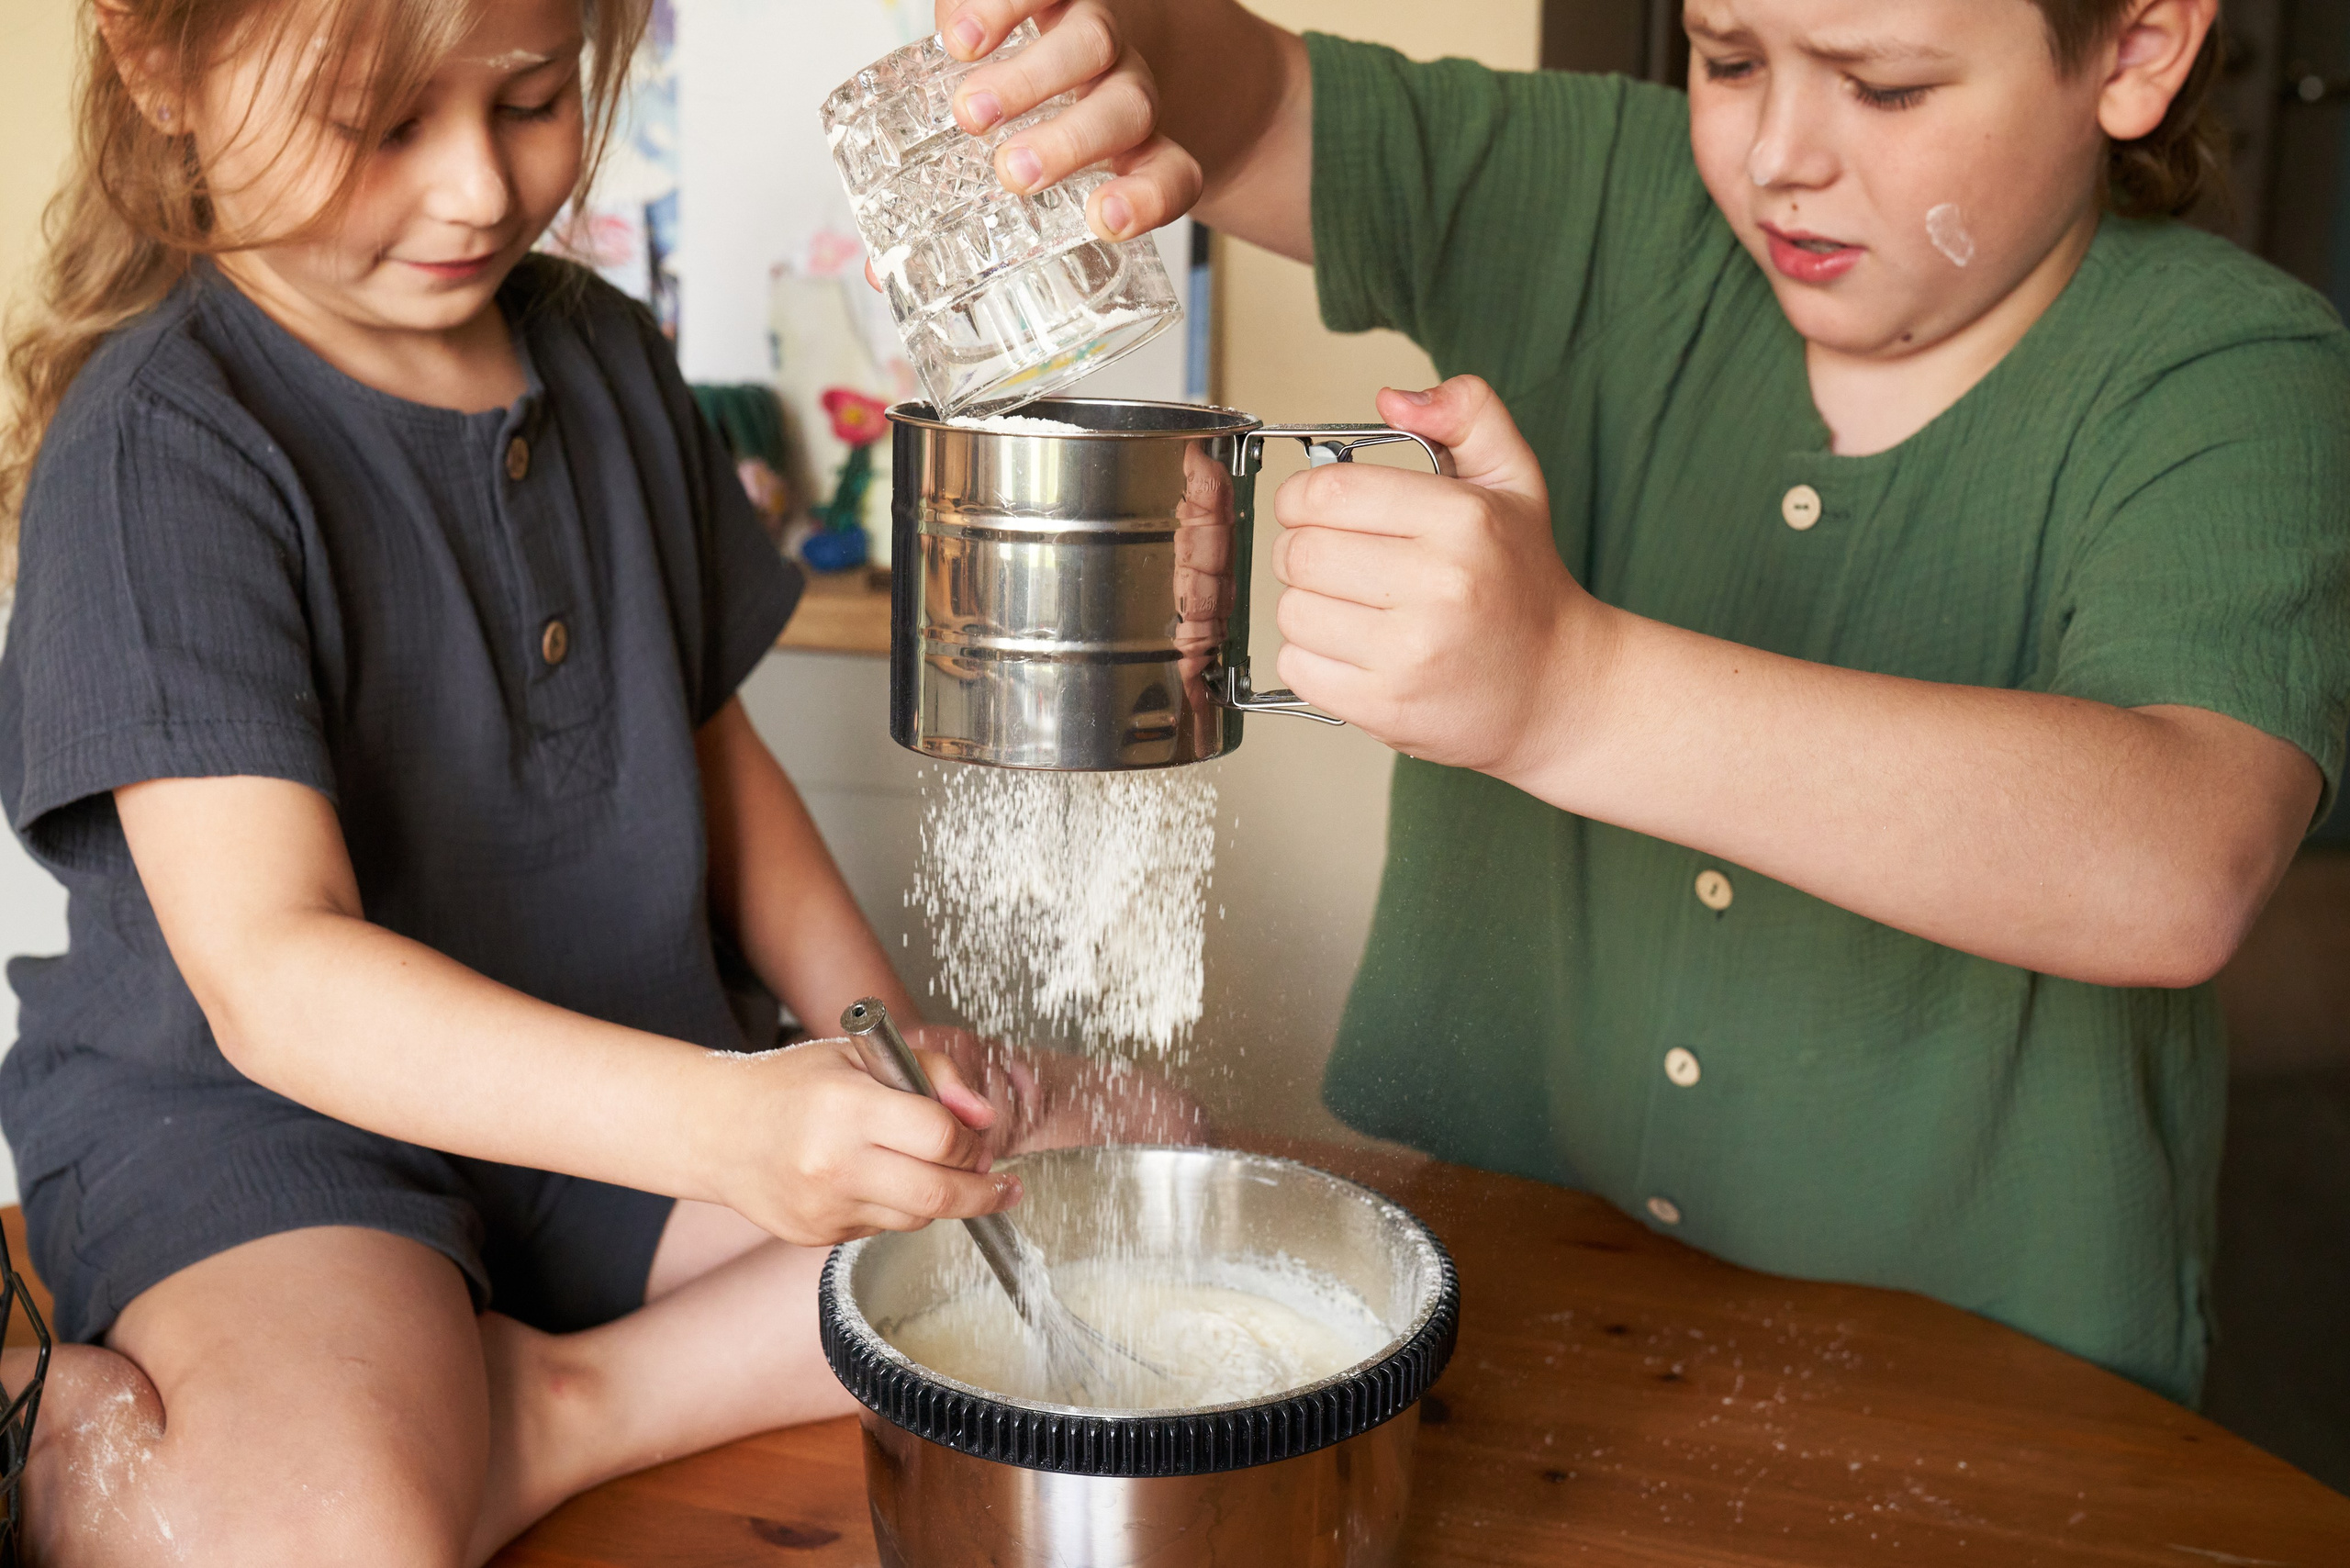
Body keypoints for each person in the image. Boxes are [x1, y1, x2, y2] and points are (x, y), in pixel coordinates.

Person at [934, 0, 2350, 1406]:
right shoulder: (1609, 194)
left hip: (1994, 1391)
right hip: (1485, 1298)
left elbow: (2180, 858)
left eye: (1886, 86)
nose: (1779, 154)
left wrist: (1566, 692)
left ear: (2138, 48)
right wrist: (1119, 45)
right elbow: (1248, 104)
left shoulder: (2237, 377)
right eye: (1728, 60)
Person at [0, 0, 1193, 1559]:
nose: (480, 191)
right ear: (159, 65)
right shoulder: (161, 444)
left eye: (532, 100)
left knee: (1137, 1160)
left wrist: (881, 1038)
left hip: (633, 1085)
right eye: (382, 127)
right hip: (261, 1134)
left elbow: (715, 758)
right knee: (342, 1534)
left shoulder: (605, 348)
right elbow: (274, 982)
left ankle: (559, 1403)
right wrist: (723, 1132)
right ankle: (111, 1421)